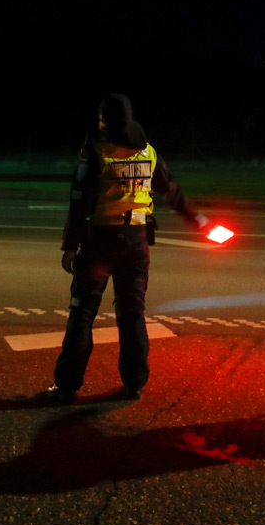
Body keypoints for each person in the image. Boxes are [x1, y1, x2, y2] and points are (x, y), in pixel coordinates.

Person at [46, 93, 207, 403]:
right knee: (132, 314)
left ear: (104, 119)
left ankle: (66, 386)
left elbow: (79, 203)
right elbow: (170, 190)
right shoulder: (147, 152)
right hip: (137, 243)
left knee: (82, 314)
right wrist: (196, 218)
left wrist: (69, 246)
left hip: (100, 241)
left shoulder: (96, 151)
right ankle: (134, 384)